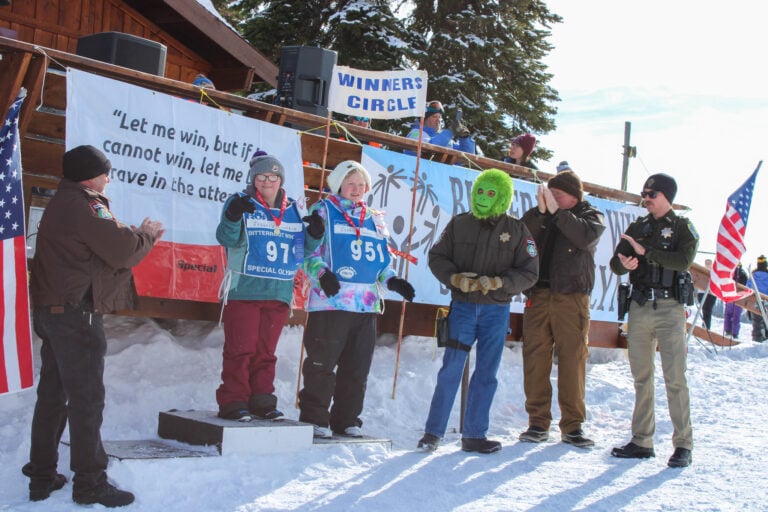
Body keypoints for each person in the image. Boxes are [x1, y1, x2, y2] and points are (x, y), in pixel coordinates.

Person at [23, 145, 165, 507]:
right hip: (77, 314)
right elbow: (123, 251)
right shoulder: (88, 203)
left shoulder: (62, 201)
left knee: (53, 395)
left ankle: (41, 475)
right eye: (106, 172)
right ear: (92, 174)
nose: (108, 179)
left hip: (52, 311)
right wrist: (147, 234)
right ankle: (90, 482)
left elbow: (99, 243)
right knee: (86, 399)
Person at [417, 168, 539, 454]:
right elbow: (437, 256)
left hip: (496, 312)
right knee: (451, 370)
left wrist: (501, 283)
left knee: (487, 373)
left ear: (503, 197)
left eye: (491, 193)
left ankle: (474, 435)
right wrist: (455, 278)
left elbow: (530, 272)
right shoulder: (460, 224)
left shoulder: (518, 230)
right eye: (481, 191)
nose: (484, 197)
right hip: (462, 309)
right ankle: (432, 433)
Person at [298, 161, 415, 438]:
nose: (356, 190)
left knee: (357, 367)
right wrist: (322, 274)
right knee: (322, 364)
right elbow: (306, 252)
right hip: (331, 301)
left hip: (365, 304)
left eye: (361, 185)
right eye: (350, 184)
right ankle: (315, 418)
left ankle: (347, 419)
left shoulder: (374, 217)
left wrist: (392, 280)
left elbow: (380, 260)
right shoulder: (323, 211)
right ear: (339, 184)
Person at [215, 151, 324, 421]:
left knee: (265, 352)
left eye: (273, 177)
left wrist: (314, 234)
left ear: (281, 180)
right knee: (241, 349)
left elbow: (303, 251)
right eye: (262, 177)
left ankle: (262, 399)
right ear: (254, 179)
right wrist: (231, 216)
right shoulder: (241, 201)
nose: (267, 182)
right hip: (245, 288)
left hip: (278, 291)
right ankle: (234, 400)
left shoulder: (293, 210)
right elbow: (225, 237)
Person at [609, 173, 698, 468]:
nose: (646, 198)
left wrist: (647, 252)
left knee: (675, 378)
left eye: (652, 194)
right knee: (641, 377)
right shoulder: (639, 226)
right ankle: (641, 440)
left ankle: (683, 444)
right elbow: (615, 262)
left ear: (667, 197)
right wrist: (624, 263)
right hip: (640, 306)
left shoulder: (683, 227)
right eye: (644, 193)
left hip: (670, 308)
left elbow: (683, 261)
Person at [519, 170, 606, 448]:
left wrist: (557, 214)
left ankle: (572, 425)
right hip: (539, 294)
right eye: (551, 192)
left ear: (574, 195)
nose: (553, 197)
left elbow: (584, 238)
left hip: (572, 298)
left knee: (572, 358)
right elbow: (523, 239)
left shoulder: (591, 215)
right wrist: (540, 213)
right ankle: (537, 422)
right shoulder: (544, 213)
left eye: (559, 193)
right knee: (535, 357)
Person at [405, 100, 476, 154]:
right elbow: (429, 148)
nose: (438, 120)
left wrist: (464, 138)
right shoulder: (416, 133)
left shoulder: (444, 138)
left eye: (439, 117)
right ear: (423, 120)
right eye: (434, 116)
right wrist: (451, 131)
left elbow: (467, 156)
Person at [723, 263, 748, 338]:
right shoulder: (744, 274)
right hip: (739, 296)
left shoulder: (730, 273)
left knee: (728, 314)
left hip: (730, 295)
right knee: (736, 315)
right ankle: (735, 333)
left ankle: (727, 330)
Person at [751, 255, 768, 342]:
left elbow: (748, 286)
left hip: (754, 301)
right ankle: (765, 338)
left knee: (756, 321)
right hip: (766, 301)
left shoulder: (753, 275)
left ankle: (756, 338)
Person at [699, 258, 717, 330]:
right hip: (702, 292)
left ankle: (707, 327)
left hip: (711, 294)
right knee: (704, 310)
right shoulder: (701, 271)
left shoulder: (714, 272)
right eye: (706, 262)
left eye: (709, 263)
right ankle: (704, 325)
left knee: (708, 310)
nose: (707, 264)